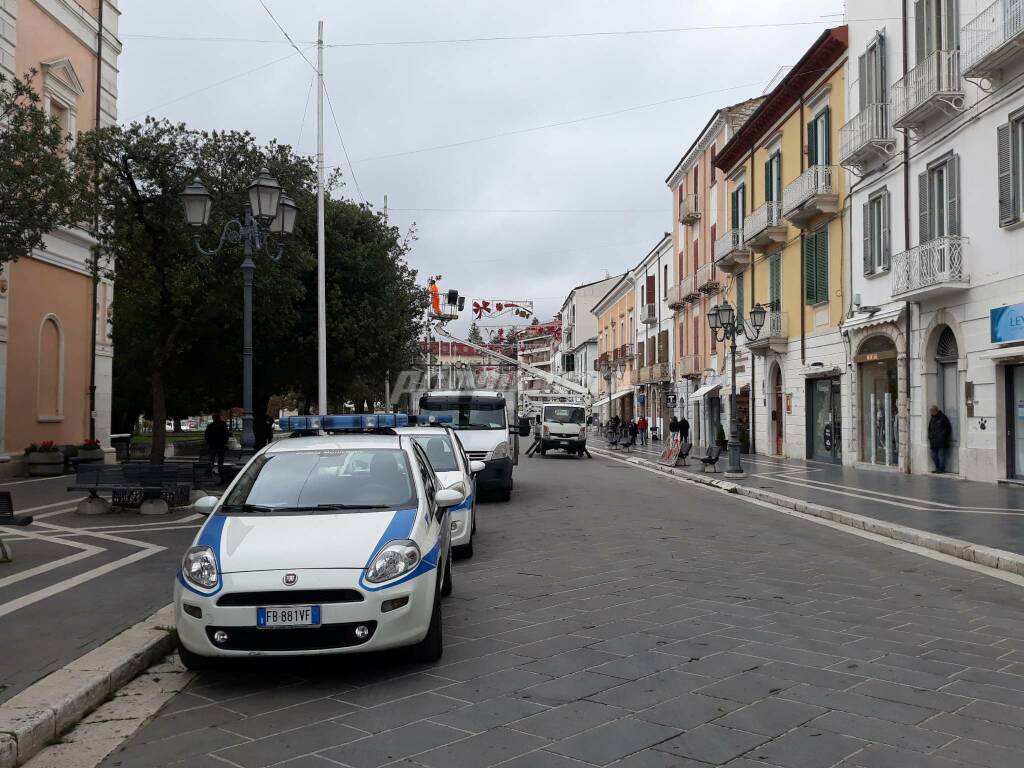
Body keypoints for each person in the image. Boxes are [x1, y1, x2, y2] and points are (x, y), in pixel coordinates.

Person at [928, 404, 952, 474]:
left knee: (940, 455)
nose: (931, 412)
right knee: (933, 455)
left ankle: (941, 468)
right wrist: (930, 436)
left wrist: (943, 436)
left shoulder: (943, 417)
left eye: (932, 411)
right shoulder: (932, 418)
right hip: (933, 441)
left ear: (936, 410)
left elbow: (948, 428)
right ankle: (937, 467)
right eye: (931, 411)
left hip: (941, 441)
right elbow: (929, 429)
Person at [204, 411, 229, 476]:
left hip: (213, 446)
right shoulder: (223, 425)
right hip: (221, 446)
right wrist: (224, 442)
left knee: (212, 459)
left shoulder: (210, 426)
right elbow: (226, 435)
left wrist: (209, 443)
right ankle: (220, 472)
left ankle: (209, 472)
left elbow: (207, 436)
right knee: (220, 460)